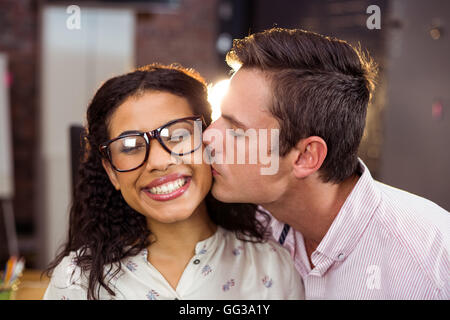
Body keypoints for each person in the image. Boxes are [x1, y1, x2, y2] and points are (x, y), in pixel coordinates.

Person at [203, 28, 449, 299]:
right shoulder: (243, 223)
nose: (208, 136)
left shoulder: (430, 265)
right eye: (218, 116)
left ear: (306, 156)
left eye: (237, 131)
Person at [43, 64, 304, 300]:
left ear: (209, 140)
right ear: (112, 172)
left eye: (178, 135)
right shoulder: (76, 282)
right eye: (131, 146)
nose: (158, 161)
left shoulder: (273, 268)